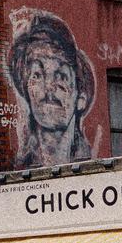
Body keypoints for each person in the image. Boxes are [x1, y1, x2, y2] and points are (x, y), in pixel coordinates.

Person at [6, 11, 95, 168]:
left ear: (81, 98)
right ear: (27, 91)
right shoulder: (20, 168)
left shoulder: (91, 168)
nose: (49, 87)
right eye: (37, 75)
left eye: (61, 76)